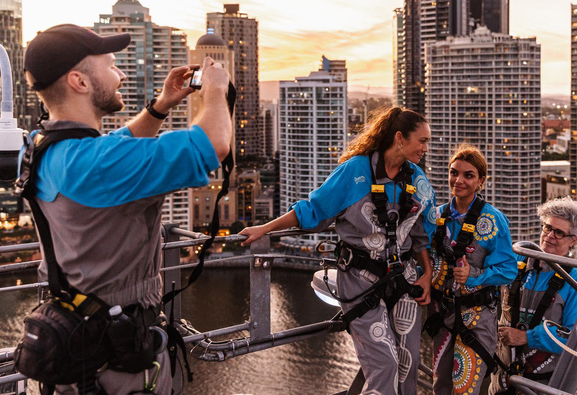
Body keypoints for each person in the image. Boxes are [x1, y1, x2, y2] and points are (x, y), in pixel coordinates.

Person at [20, 24, 232, 394]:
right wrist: (215, 90)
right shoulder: (97, 164)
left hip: (76, 341)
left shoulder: (42, 146)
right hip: (118, 365)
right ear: (79, 82)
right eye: (112, 66)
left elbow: (115, 147)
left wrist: (160, 106)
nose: (121, 75)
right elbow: (213, 145)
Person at [240, 106, 435, 395]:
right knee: (384, 365)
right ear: (399, 138)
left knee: (408, 365)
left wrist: (427, 274)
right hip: (360, 280)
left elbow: (421, 234)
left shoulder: (417, 179)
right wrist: (266, 228)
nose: (425, 148)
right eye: (422, 140)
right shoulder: (355, 171)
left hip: (403, 278)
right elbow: (315, 209)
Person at [425, 145, 516, 395]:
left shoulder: (492, 220)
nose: (459, 180)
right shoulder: (437, 216)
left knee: (465, 389)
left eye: (468, 175)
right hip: (442, 315)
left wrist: (473, 276)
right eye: (454, 173)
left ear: (481, 181)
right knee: (440, 386)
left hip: (476, 319)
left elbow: (508, 269)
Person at [490, 196, 577, 394]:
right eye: (547, 227)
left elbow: (576, 340)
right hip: (502, 378)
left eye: (559, 232)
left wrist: (526, 337)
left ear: (574, 239)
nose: (550, 236)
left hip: (544, 385)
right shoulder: (517, 262)